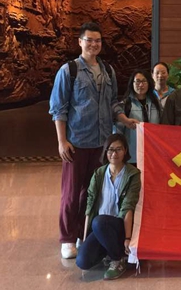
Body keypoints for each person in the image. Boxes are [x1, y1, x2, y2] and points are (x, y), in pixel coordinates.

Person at [49, 22, 136, 259]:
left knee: (93, 192)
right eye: (89, 40)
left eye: (97, 40)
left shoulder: (108, 71)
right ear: (80, 42)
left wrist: (124, 119)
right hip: (77, 142)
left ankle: (83, 233)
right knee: (71, 193)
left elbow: (113, 103)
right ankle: (67, 238)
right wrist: (62, 141)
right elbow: (59, 109)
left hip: (102, 145)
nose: (94, 44)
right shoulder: (69, 70)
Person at [76, 134, 141, 281]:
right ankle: (110, 251)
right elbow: (90, 205)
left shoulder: (132, 174)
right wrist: (86, 237)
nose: (114, 154)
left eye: (119, 149)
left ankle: (117, 259)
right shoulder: (99, 173)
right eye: (110, 149)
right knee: (83, 261)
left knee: (99, 222)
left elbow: (128, 207)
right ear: (105, 152)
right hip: (99, 226)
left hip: (119, 226)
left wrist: (128, 238)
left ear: (125, 151)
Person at [116, 69, 162, 161]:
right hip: (132, 154)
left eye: (144, 81)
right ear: (132, 84)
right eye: (137, 81)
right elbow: (118, 131)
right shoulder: (126, 104)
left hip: (153, 153)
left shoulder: (156, 103)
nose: (141, 85)